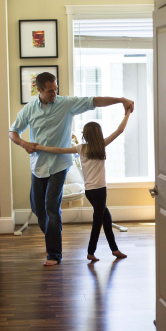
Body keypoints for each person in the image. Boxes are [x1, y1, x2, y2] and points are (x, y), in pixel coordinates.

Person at [9, 72, 133, 266]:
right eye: (50, 91)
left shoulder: (66, 104)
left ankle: (54, 254)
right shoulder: (29, 110)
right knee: (37, 208)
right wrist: (24, 143)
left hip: (59, 166)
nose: (54, 93)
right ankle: (52, 235)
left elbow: (94, 101)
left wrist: (120, 100)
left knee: (51, 207)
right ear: (39, 90)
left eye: (56, 89)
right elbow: (13, 132)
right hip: (38, 166)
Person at [35, 108, 133, 262]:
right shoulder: (101, 145)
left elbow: (58, 150)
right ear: (98, 134)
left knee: (106, 219)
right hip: (99, 190)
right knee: (98, 221)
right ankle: (90, 252)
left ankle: (114, 249)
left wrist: (40, 147)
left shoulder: (81, 148)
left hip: (90, 191)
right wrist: (127, 113)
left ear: (85, 135)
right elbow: (120, 130)